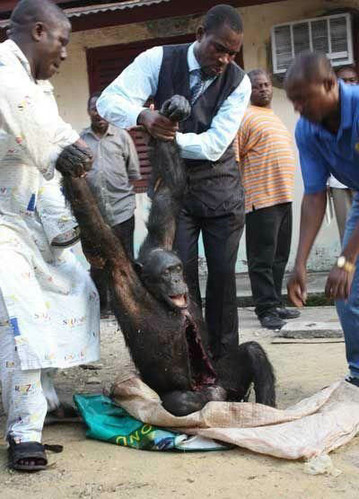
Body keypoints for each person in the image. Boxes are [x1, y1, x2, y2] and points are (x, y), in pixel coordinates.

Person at [97, 4, 251, 361]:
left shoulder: (239, 82)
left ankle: (225, 365)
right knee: (178, 280)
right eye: (219, 48)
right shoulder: (158, 59)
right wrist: (143, 115)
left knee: (224, 281)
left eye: (232, 52)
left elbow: (213, 145)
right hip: (172, 194)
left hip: (221, 192)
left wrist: (166, 136)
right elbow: (108, 101)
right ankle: (192, 361)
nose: (225, 58)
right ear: (200, 33)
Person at [0, 0, 100, 471]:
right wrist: (66, 148)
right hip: (1, 224)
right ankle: (23, 433)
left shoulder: (39, 85)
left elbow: (51, 149)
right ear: (39, 31)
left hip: (32, 221)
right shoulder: (3, 70)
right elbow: (36, 133)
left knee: (75, 291)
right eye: (62, 41)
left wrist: (68, 232)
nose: (64, 53)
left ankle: (45, 396)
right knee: (23, 318)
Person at [285, 51, 359, 388]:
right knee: (347, 293)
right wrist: (299, 263)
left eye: (302, 99)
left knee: (347, 271)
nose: (298, 108)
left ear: (330, 84)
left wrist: (346, 259)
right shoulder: (307, 130)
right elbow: (315, 195)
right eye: (293, 101)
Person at [238, 69, 299, 330]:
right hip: (260, 198)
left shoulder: (272, 116)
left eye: (265, 84)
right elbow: (234, 156)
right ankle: (265, 309)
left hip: (284, 196)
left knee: (279, 256)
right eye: (256, 86)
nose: (263, 89)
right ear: (248, 91)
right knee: (261, 258)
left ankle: (274, 303)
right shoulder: (244, 116)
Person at [81, 93, 141, 315]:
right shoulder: (81, 140)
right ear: (88, 112)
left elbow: (133, 171)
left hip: (122, 209)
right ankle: (102, 307)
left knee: (125, 259)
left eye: (101, 108)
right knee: (98, 262)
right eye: (93, 108)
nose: (98, 113)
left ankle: (128, 306)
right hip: (95, 213)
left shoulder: (122, 137)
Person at [327, 66, 358, 241]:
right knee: (347, 232)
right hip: (339, 183)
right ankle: (349, 268)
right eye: (343, 81)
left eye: (352, 80)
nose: (348, 84)